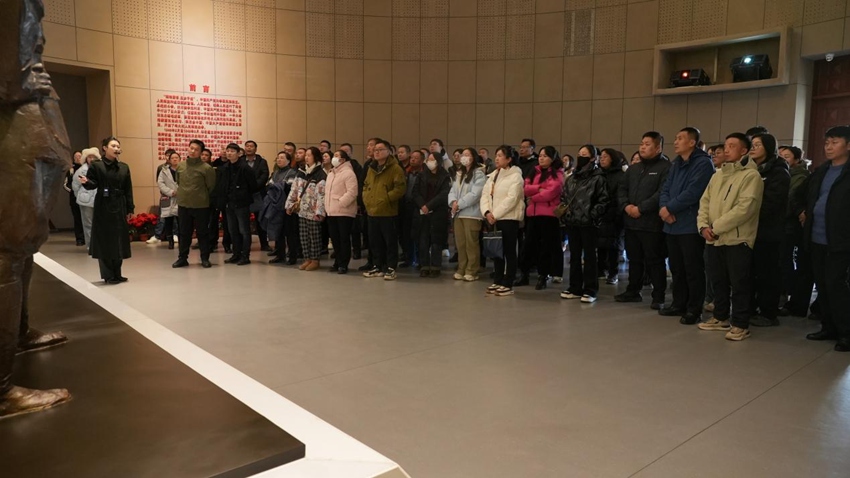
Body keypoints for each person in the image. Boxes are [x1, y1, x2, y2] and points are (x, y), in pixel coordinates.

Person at [696, 133, 764, 341]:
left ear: (744, 150)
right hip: (713, 238)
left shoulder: (751, 176)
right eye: (725, 145)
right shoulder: (717, 175)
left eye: (732, 146)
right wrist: (703, 226)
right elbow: (704, 202)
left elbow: (745, 209)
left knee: (739, 283)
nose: (726, 149)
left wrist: (716, 227)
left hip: (737, 239)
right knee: (718, 281)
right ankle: (720, 317)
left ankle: (741, 324)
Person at [658, 127, 715, 324]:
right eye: (675, 138)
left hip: (690, 224)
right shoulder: (676, 163)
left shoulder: (703, 163)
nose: (675, 142)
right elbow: (665, 188)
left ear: (692, 142)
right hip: (671, 224)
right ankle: (678, 303)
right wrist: (664, 208)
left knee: (693, 269)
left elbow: (694, 192)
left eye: (680, 138)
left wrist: (669, 208)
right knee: (676, 268)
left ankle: (694, 309)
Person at [803, 125, 850, 351]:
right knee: (822, 285)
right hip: (816, 237)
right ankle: (828, 327)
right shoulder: (822, 170)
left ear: (848, 145)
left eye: (835, 142)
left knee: (836, 286)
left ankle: (846, 333)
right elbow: (806, 195)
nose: (829, 147)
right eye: (827, 142)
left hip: (840, 240)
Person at [615, 132, 670, 309]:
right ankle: (633, 291)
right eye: (641, 143)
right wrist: (626, 206)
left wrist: (641, 208)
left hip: (651, 224)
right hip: (631, 222)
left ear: (658, 147)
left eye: (647, 144)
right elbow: (622, 189)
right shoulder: (634, 169)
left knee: (655, 260)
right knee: (634, 259)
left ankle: (658, 296)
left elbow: (661, 193)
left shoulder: (666, 167)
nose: (643, 147)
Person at [748, 133, 791, 327]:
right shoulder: (749, 168)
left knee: (768, 273)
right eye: (752, 144)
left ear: (768, 147)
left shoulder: (778, 171)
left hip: (769, 231)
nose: (753, 148)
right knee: (750, 272)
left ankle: (768, 313)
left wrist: (747, 213)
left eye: (758, 144)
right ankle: (749, 309)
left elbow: (772, 202)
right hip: (750, 229)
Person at [80, 137, 134, 284]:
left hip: (120, 204)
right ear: (104, 148)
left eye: (118, 146)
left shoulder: (124, 167)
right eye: (113, 146)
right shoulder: (97, 165)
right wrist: (86, 182)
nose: (116, 148)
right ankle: (108, 275)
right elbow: (92, 184)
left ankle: (117, 273)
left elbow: (128, 189)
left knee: (118, 239)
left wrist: (130, 207)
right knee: (105, 239)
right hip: (103, 205)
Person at [559, 145, 610, 303]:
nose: (581, 157)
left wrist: (592, 215)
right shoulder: (572, 178)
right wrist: (566, 213)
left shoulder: (598, 178)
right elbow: (564, 197)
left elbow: (603, 200)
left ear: (593, 158)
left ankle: (590, 289)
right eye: (579, 154)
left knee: (589, 257)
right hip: (573, 222)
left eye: (584, 154)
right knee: (574, 256)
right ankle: (575, 287)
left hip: (589, 223)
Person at [517, 146, 564, 290]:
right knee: (528, 246)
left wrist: (534, 197)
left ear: (552, 158)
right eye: (540, 156)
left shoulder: (557, 173)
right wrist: (538, 188)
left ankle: (543, 275)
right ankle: (524, 275)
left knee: (546, 248)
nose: (541, 158)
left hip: (548, 216)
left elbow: (551, 192)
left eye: (545, 156)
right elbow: (526, 189)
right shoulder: (535, 171)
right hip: (533, 214)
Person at [480, 145, 525, 297]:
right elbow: (485, 195)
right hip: (493, 218)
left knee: (509, 251)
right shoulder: (493, 175)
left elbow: (512, 199)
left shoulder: (516, 176)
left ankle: (508, 282)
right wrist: (487, 212)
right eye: (496, 155)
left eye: (500, 155)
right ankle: (498, 279)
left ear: (509, 159)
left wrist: (495, 214)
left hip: (508, 218)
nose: (497, 158)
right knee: (497, 250)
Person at [362, 139, 407, 280]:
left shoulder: (395, 168)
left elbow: (400, 189)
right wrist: (367, 199)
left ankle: (391, 267)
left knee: (390, 242)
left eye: (380, 150)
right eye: (375, 150)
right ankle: (377, 266)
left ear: (388, 151)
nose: (377, 152)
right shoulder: (371, 168)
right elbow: (366, 185)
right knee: (375, 242)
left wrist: (386, 198)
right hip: (372, 211)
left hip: (388, 212)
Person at [778, 145, 812, 317]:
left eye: (787, 156)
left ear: (797, 159)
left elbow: (791, 198)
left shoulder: (801, 176)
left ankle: (787, 293)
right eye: (780, 155)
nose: (783, 158)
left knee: (786, 260)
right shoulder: (782, 173)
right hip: (782, 224)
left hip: (791, 225)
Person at [172, 139, 217, 269]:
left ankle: (204, 258)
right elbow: (178, 181)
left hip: (201, 205)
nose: (193, 151)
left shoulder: (206, 168)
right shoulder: (180, 166)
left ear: (201, 152)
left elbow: (211, 186)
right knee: (184, 233)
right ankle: (182, 258)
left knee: (202, 233)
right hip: (184, 204)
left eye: (196, 149)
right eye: (191, 148)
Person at [285, 146, 327, 271]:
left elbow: (322, 195)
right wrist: (289, 204)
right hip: (301, 210)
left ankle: (315, 260)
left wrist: (320, 211)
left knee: (314, 236)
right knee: (303, 236)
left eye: (309, 155)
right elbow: (294, 189)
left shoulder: (320, 173)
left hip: (313, 211)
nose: (306, 157)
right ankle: (307, 258)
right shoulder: (301, 171)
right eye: (306, 155)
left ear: (316, 157)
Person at [449, 148, 486, 281]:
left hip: (472, 214)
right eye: (462, 155)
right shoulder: (459, 174)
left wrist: (459, 204)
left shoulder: (479, 174)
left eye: (467, 155)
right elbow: (452, 191)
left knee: (471, 244)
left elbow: (475, 194)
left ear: (473, 157)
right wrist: (453, 202)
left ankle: (472, 270)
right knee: (461, 244)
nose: (463, 157)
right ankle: (461, 268)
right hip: (458, 214)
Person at [413, 152, 451, 277]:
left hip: (438, 211)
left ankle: (435, 266)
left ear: (438, 161)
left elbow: (444, 194)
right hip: (423, 211)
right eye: (428, 159)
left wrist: (429, 206)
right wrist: (422, 205)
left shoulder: (445, 176)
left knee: (436, 240)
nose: (430, 162)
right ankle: (424, 265)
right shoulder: (422, 175)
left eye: (432, 159)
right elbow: (415, 192)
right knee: (423, 239)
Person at [324, 149, 359, 274]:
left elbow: (352, 192)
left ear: (343, 160)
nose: (334, 158)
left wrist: (341, 203)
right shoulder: (331, 173)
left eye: (336, 156)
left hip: (344, 211)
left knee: (344, 238)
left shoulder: (348, 173)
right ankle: (337, 261)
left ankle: (344, 264)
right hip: (331, 211)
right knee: (335, 239)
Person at [596, 148, 626, 285]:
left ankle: (613, 273)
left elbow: (620, 197)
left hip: (614, 215)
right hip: (599, 214)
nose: (602, 159)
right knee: (600, 244)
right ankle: (600, 270)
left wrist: (615, 213)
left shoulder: (620, 175)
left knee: (613, 245)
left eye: (605, 157)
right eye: (601, 157)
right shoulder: (598, 174)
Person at [267, 151, 299, 264]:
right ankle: (280, 255)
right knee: (278, 231)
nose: (279, 160)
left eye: (282, 158)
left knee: (290, 232)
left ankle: (293, 256)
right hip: (276, 206)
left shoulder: (292, 172)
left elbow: (289, 187)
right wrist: (279, 186)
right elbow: (269, 186)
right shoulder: (275, 173)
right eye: (278, 158)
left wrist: (277, 186)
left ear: (288, 161)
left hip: (288, 206)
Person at [244, 140, 271, 251]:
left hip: (258, 194)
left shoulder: (262, 162)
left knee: (260, 220)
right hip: (244, 195)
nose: (249, 148)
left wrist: (254, 186)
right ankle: (245, 245)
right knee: (244, 221)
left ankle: (264, 244)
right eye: (247, 146)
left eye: (251, 146)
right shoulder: (241, 161)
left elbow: (264, 176)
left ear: (255, 149)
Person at [72, 147, 99, 249]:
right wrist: (81, 195)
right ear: (85, 158)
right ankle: (90, 247)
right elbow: (75, 186)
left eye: (93, 157)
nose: (91, 159)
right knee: (88, 224)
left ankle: (99, 246)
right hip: (85, 200)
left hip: (98, 200)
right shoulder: (81, 171)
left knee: (99, 224)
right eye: (89, 157)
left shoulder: (100, 169)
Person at [403, 149, 425, 268]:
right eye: (411, 158)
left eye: (416, 158)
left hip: (418, 206)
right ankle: (409, 258)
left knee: (418, 234)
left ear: (422, 161)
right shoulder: (406, 172)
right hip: (406, 205)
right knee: (406, 234)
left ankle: (420, 260)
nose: (412, 160)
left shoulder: (424, 174)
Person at [156, 149, 181, 250]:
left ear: (180, 159)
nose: (174, 159)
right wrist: (170, 192)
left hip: (180, 197)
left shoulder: (184, 170)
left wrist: (180, 191)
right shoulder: (164, 170)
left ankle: (181, 240)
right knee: (168, 221)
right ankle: (170, 241)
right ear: (169, 160)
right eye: (172, 158)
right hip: (168, 197)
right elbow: (160, 183)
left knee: (181, 221)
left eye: (176, 158)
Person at [64, 151, 85, 246]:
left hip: (86, 198)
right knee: (77, 219)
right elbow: (65, 184)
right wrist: (73, 191)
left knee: (87, 218)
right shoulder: (71, 170)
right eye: (76, 156)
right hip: (74, 199)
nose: (78, 158)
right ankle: (79, 239)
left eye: (79, 156)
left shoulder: (86, 168)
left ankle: (88, 238)